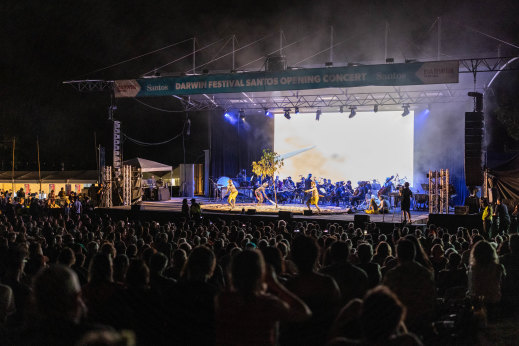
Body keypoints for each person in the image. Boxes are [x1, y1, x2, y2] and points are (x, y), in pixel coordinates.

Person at [215, 250, 311, 346]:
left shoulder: (223, 300)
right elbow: (304, 312)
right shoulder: (269, 304)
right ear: (261, 273)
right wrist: (275, 284)